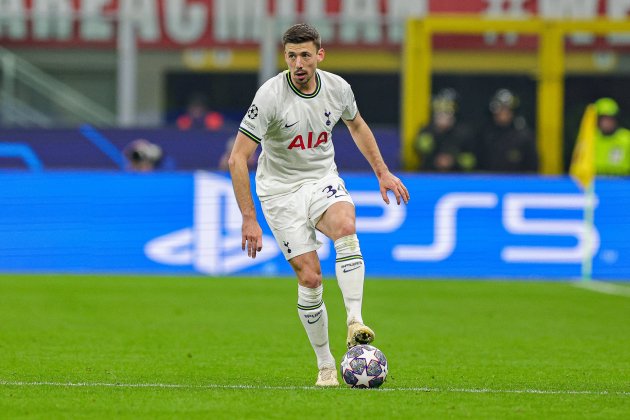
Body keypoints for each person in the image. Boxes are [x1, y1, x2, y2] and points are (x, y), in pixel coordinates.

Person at [228, 23, 409, 387]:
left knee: (345, 224)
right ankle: (326, 364)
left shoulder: (338, 88)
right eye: (292, 56)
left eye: (305, 55)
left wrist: (382, 171)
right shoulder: (270, 96)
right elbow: (237, 159)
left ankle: (355, 321)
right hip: (280, 192)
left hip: (321, 179)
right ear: (286, 57)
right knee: (310, 277)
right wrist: (249, 218)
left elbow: (357, 126)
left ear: (319, 56)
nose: (298, 63)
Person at [414, 88, 476, 172]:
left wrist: (453, 161)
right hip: (430, 175)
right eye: (440, 110)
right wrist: (437, 130)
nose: (443, 114)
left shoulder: (464, 132)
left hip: (458, 177)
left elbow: (471, 161)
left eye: (448, 110)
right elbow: (421, 149)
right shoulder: (428, 130)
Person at [476, 89, 538, 173]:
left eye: (507, 109)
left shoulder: (524, 136)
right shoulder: (484, 134)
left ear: (513, 111)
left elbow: (532, 168)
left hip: (517, 183)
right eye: (499, 109)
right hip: (490, 183)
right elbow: (478, 166)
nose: (503, 113)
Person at [593, 97, 630, 176]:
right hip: (596, 184)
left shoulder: (627, 138)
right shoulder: (590, 139)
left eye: (610, 118)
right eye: (603, 119)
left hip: (622, 184)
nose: (606, 122)